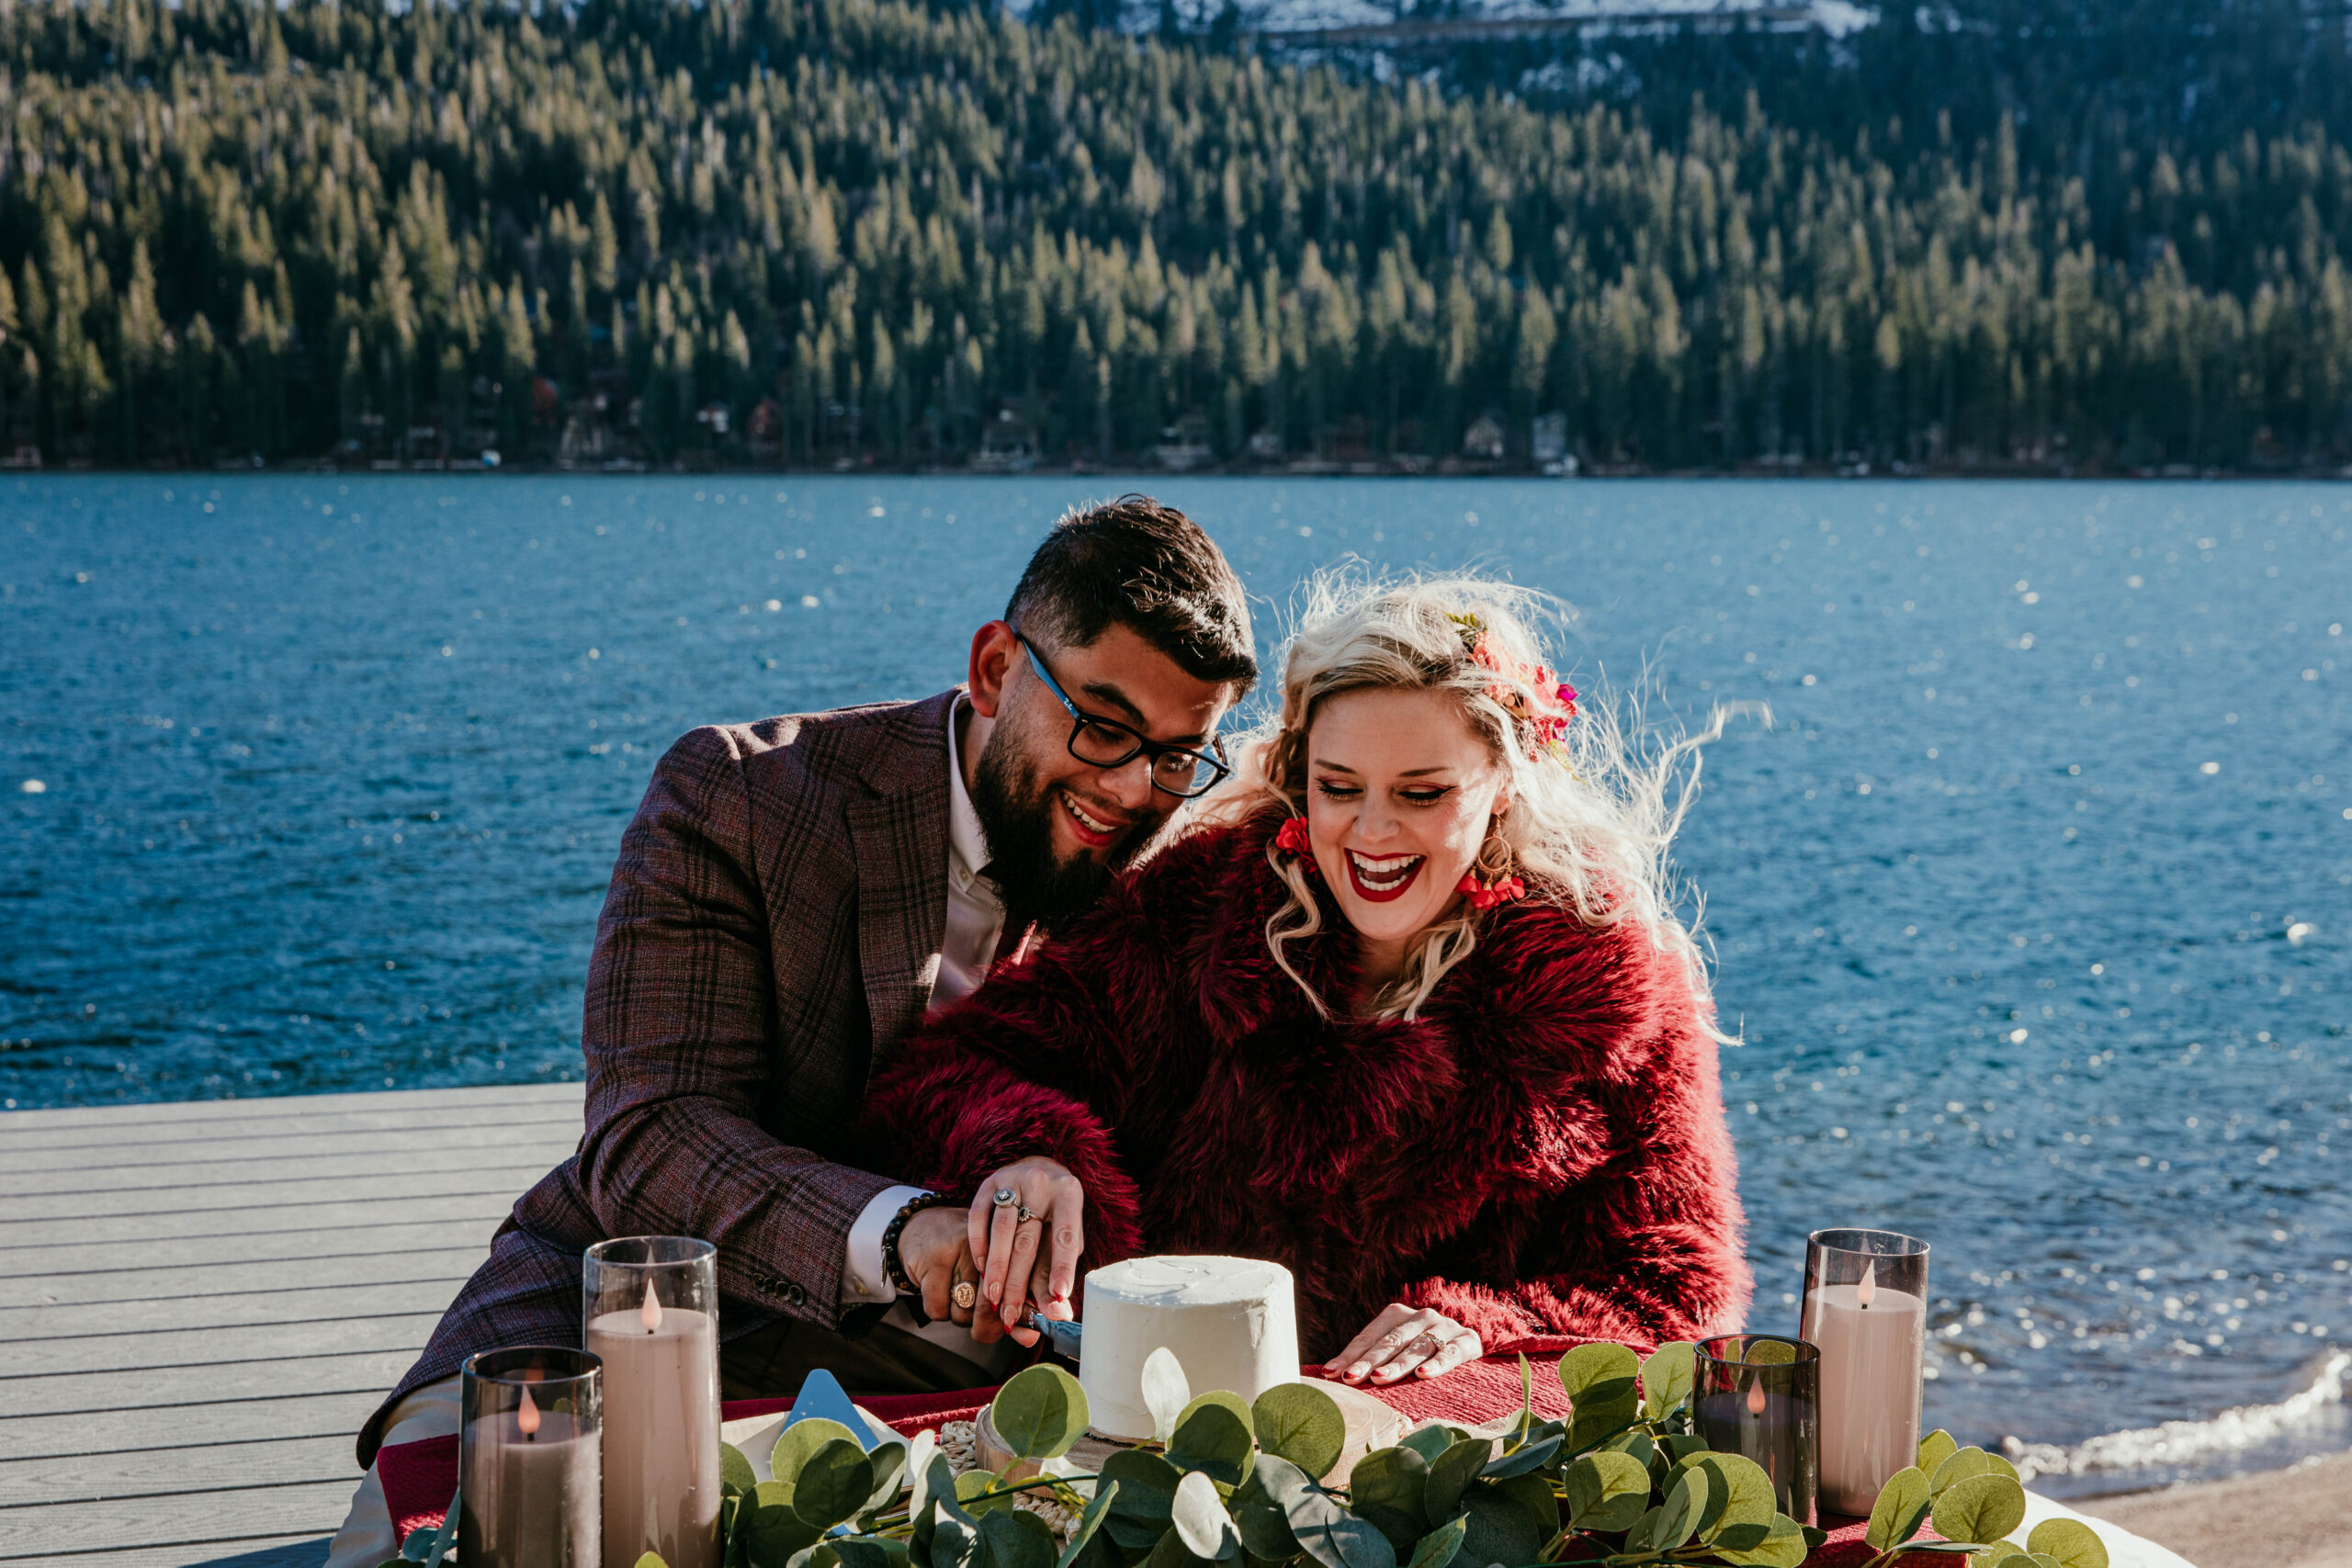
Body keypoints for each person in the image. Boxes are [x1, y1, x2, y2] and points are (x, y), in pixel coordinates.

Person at [325, 497, 1255, 1567]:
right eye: (1101, 724)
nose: (1135, 787)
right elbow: (651, 1137)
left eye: (1180, 754)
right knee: (418, 1540)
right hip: (629, 1310)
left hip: (964, 1362)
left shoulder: (1175, 864)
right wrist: (908, 1233)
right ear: (997, 669)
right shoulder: (740, 794)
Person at [862, 574, 1751, 1387]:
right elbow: (941, 1077)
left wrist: (1490, 1327)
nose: (1371, 834)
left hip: (1451, 1484)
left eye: (1421, 793)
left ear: (1502, 787)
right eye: (1339, 786)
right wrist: (1024, 1151)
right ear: (1299, 778)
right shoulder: (1200, 915)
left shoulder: (1615, 995)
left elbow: (1682, 1299)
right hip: (1157, 1448)